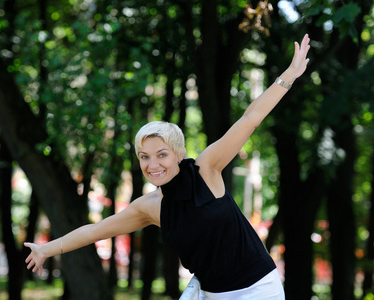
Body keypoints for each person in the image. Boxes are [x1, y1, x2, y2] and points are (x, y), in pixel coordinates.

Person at [24, 34, 311, 299]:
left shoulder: (207, 170)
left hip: (257, 289)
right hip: (210, 293)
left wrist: (289, 75)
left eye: (161, 154)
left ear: (177, 153)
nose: (152, 164)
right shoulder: (149, 206)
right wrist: (45, 249)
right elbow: (95, 231)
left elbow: (250, 118)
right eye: (144, 157)